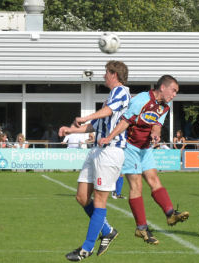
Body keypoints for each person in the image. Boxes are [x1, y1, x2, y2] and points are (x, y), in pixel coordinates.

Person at [100, 75, 189, 246]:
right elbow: (125, 121)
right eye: (174, 90)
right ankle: (141, 227)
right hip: (130, 147)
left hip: (145, 148)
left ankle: (170, 213)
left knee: (154, 179)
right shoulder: (141, 100)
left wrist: (156, 133)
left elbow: (156, 123)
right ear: (163, 87)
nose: (175, 95)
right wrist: (109, 137)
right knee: (137, 186)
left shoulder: (165, 106)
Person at [58, 61, 131, 261]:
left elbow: (107, 113)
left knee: (99, 200)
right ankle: (107, 231)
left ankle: (87, 248)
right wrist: (71, 129)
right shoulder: (110, 96)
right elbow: (95, 125)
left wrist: (84, 117)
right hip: (97, 151)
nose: (103, 76)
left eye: (106, 73)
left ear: (114, 74)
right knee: (82, 197)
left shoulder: (122, 92)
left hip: (111, 151)